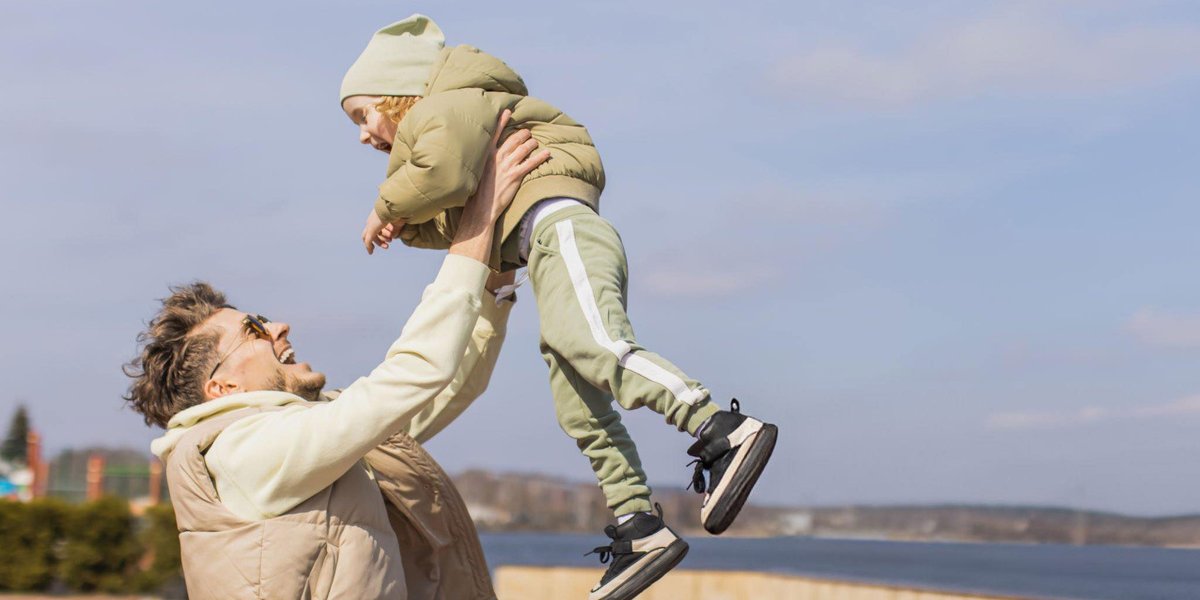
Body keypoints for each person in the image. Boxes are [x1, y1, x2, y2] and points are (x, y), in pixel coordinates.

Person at [339, 14, 779, 600]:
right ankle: (636, 522)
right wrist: (409, 221)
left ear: (400, 93)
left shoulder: (449, 106)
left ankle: (719, 426)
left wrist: (385, 206)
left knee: (596, 344)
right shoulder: (444, 133)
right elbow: (457, 216)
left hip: (562, 228)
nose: (363, 135)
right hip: (543, 246)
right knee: (576, 398)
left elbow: (441, 175)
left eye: (362, 115)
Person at [122, 111, 544, 600]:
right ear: (223, 388)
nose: (278, 326)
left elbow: (441, 388)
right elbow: (410, 377)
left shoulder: (306, 438)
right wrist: (476, 225)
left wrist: (495, 270)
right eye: (254, 329)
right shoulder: (238, 453)